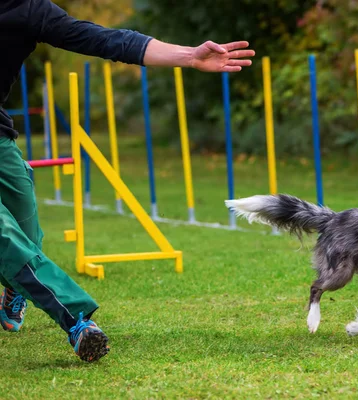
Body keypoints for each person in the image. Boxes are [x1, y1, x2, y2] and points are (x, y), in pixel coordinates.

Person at [0, 0, 255, 362]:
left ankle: (13, 287)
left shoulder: (29, 10)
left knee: (26, 230)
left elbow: (107, 39)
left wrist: (188, 56)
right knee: (4, 235)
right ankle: (77, 320)